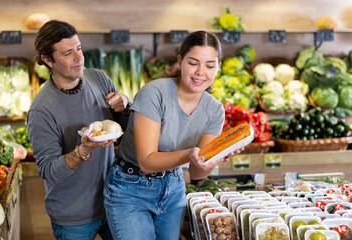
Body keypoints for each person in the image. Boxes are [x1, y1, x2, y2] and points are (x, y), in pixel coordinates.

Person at [103, 30, 243, 240]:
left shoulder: (215, 110)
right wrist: (191, 154)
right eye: (193, 63)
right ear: (180, 61)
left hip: (173, 188)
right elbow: (147, 161)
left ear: (218, 67)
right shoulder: (154, 93)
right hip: (129, 188)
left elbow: (197, 172)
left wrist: (215, 158)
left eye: (209, 65)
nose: (200, 72)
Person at [27, 20, 130, 240]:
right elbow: (48, 171)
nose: (79, 58)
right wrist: (83, 151)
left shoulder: (99, 79)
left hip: (112, 202)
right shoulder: (42, 110)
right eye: (67, 53)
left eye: (79, 48)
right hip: (73, 217)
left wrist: (125, 106)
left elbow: (124, 129)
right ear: (48, 60)